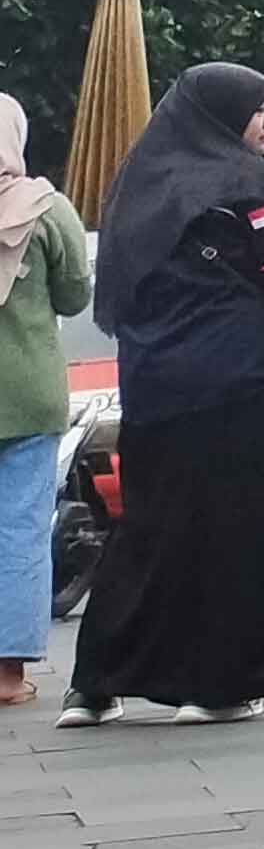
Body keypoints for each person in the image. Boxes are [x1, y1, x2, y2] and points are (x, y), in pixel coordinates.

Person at [65, 64, 264, 726]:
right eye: (258, 109)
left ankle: (95, 684)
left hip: (156, 388)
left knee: (148, 531)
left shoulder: (136, 184)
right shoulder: (246, 181)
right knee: (240, 527)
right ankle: (215, 685)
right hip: (243, 382)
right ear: (220, 116)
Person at [0, 94, 95, 709]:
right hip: (28, 393)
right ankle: (6, 675)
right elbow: (73, 296)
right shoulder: (44, 206)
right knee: (19, 530)